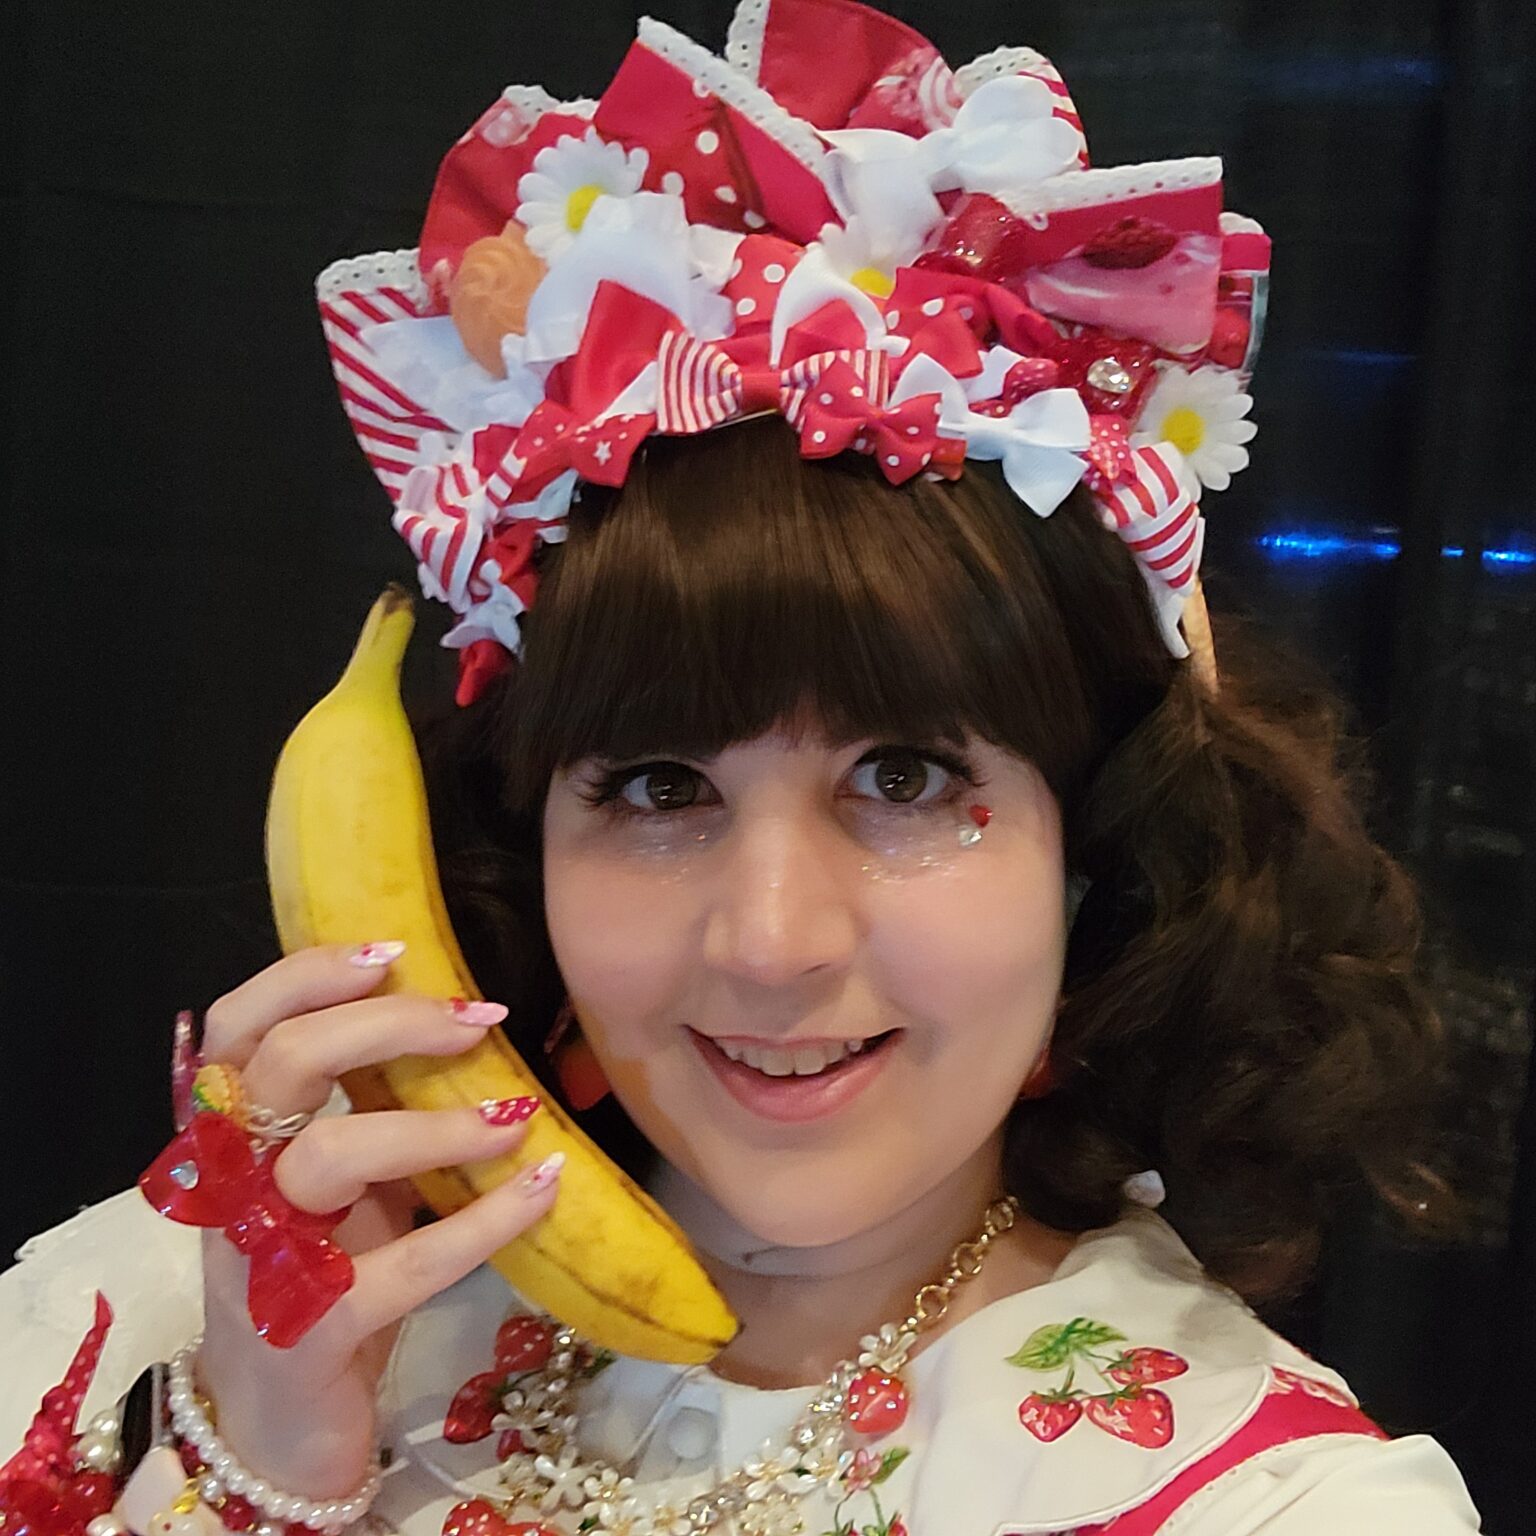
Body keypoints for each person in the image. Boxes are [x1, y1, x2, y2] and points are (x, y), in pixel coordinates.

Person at [1, 3, 1484, 1533]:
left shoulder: (1282, 1507)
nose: (772, 945)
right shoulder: (175, 1315)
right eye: (659, 790)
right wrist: (250, 1472)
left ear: (1098, 851)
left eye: (905, 780)